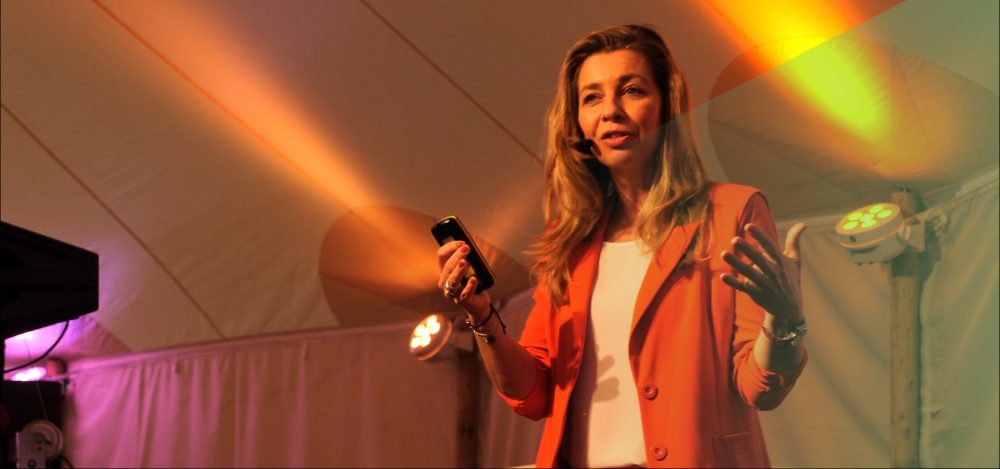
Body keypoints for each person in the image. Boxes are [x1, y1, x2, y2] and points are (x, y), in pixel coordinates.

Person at [437, 24, 808, 468]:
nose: (611, 110)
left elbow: (759, 387)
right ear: (578, 123)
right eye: (591, 97)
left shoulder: (731, 211)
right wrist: (481, 316)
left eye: (631, 90)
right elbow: (533, 394)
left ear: (667, 106)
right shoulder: (570, 241)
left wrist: (784, 320)